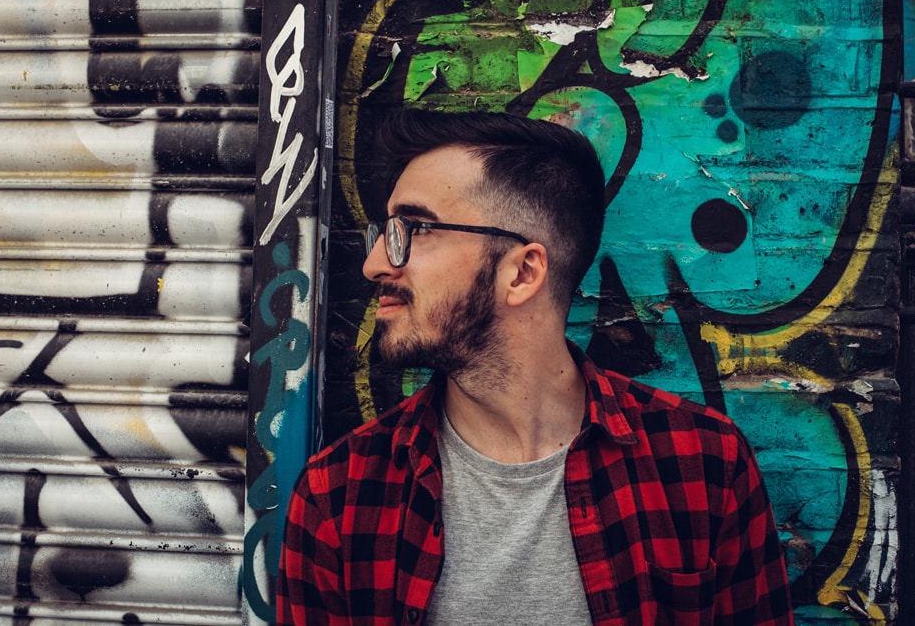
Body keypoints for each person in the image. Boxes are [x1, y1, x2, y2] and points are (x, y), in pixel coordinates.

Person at [277, 110, 793, 625]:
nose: (374, 264)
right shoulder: (340, 496)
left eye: (414, 229)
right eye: (386, 232)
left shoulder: (702, 465)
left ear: (523, 272)